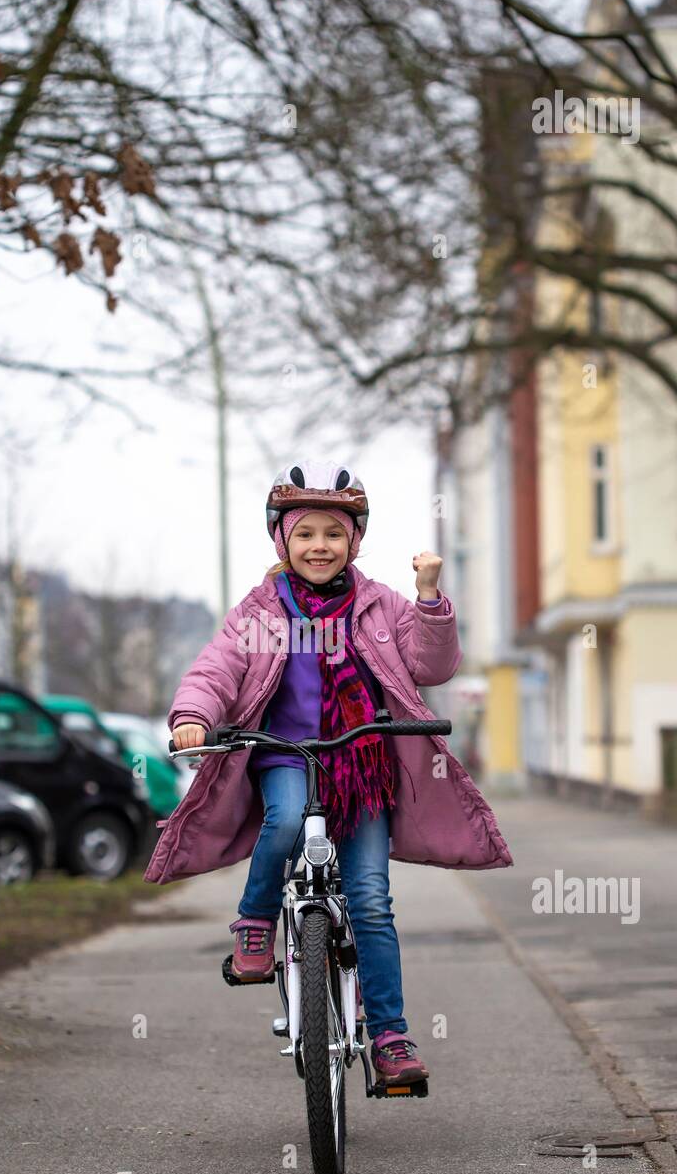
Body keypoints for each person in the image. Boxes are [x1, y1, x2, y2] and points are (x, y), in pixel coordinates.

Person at [146, 460, 513, 1087]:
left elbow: (431, 665)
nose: (320, 546)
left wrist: (428, 600)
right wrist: (193, 717)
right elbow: (216, 670)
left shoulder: (380, 604)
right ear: (283, 541)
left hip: (362, 761)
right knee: (286, 818)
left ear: (355, 543)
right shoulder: (260, 611)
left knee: (370, 899)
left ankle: (391, 1037)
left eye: (334, 535)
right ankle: (256, 923)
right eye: (306, 534)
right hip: (285, 752)